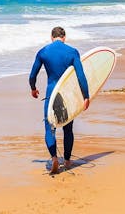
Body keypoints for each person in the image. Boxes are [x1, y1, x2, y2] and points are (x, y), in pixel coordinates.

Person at [28, 26, 88, 174]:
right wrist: (86, 95)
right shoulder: (72, 52)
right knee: (68, 129)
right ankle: (67, 160)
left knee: (50, 128)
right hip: (67, 95)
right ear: (64, 37)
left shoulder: (43, 52)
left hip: (51, 93)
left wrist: (33, 88)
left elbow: (32, 75)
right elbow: (81, 76)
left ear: (51, 37)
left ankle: (54, 158)